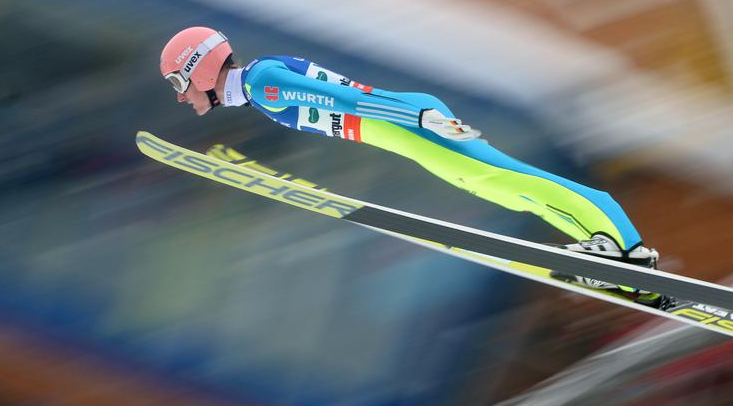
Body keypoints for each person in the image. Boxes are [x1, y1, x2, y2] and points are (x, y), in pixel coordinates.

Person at [158, 26, 665, 306]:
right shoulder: (258, 87)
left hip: (405, 124)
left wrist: (418, 116)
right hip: (404, 128)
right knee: (500, 188)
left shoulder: (265, 82)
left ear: (196, 72)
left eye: (179, 85)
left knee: (505, 179)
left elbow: (348, 101)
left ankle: (627, 249)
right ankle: (610, 254)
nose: (181, 98)